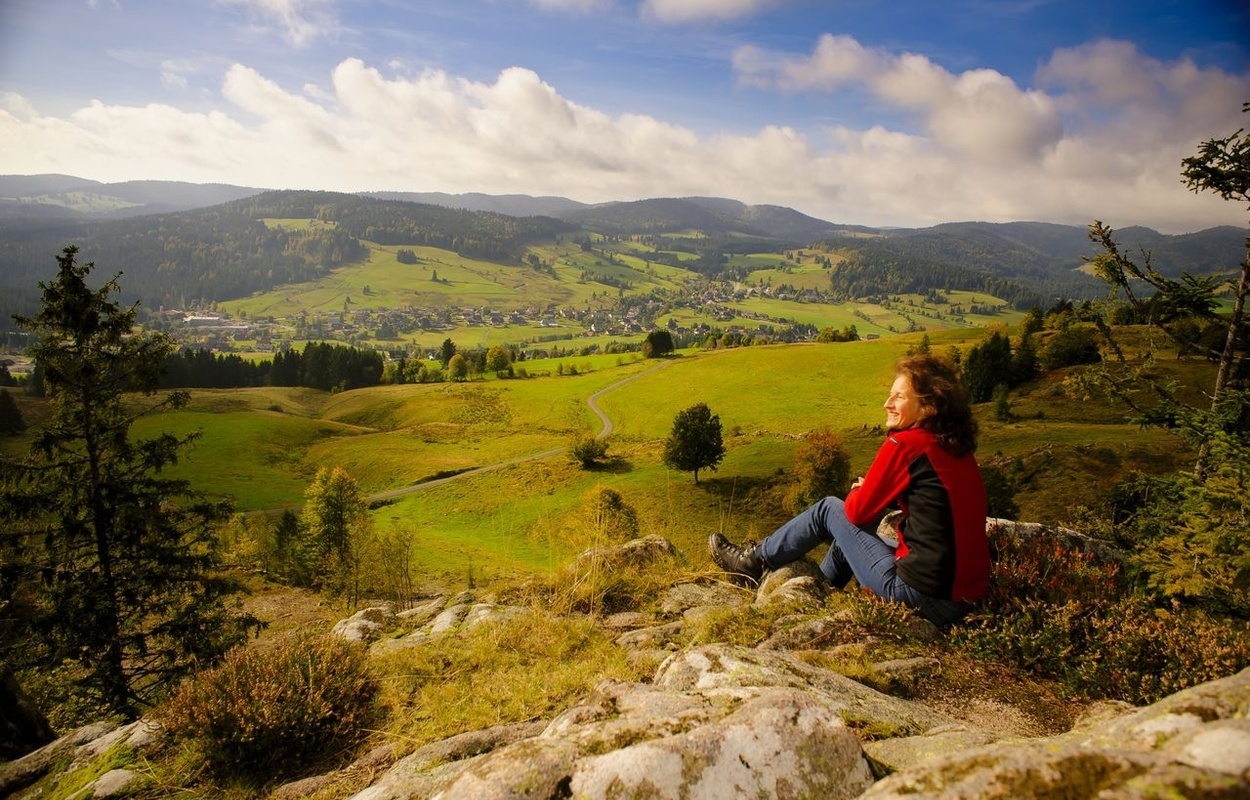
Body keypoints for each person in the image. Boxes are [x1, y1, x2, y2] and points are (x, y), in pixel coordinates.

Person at [709, 354, 990, 626]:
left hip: (917, 596)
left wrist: (862, 491)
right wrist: (877, 489)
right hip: (963, 599)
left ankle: (752, 561)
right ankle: (815, 593)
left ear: (929, 408)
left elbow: (857, 513)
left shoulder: (907, 444)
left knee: (828, 509)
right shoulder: (955, 448)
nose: (887, 403)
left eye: (899, 397)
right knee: (847, 544)